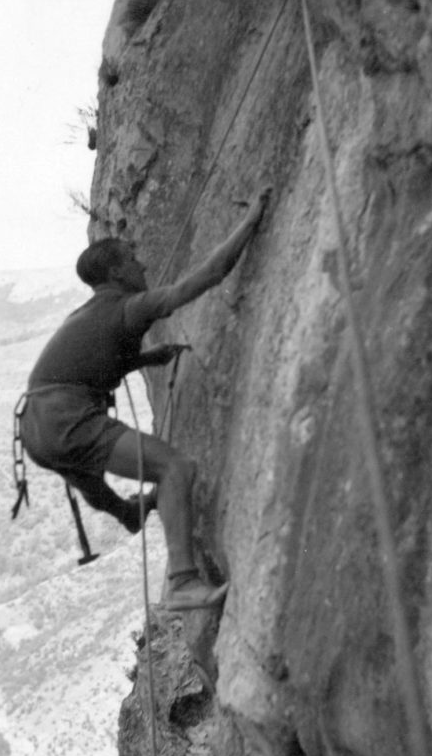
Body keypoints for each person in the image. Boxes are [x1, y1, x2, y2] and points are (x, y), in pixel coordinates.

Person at [18, 190, 270, 610]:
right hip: (68, 418)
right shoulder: (129, 307)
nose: (143, 265)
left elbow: (89, 362)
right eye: (133, 259)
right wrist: (251, 222)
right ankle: (183, 582)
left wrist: (147, 358)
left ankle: (128, 513)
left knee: (95, 484)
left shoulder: (87, 314)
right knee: (174, 467)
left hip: (34, 425)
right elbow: (205, 277)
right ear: (117, 271)